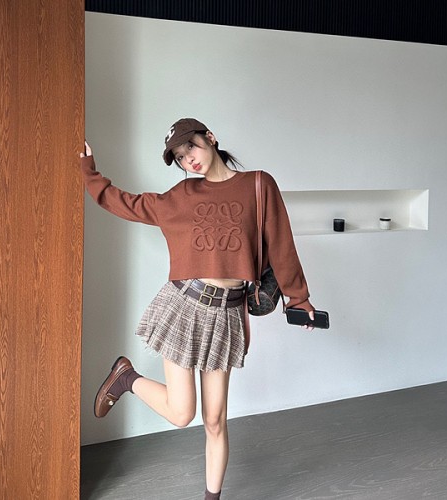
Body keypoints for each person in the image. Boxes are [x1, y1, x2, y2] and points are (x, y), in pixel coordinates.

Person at [80, 118, 315, 500]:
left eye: (190, 146)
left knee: (216, 421)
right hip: (184, 308)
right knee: (181, 413)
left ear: (211, 138)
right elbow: (125, 203)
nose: (187, 158)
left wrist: (298, 297)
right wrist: (90, 171)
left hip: (228, 315)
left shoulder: (259, 185)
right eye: (178, 156)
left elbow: (281, 243)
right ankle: (126, 378)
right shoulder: (181, 196)